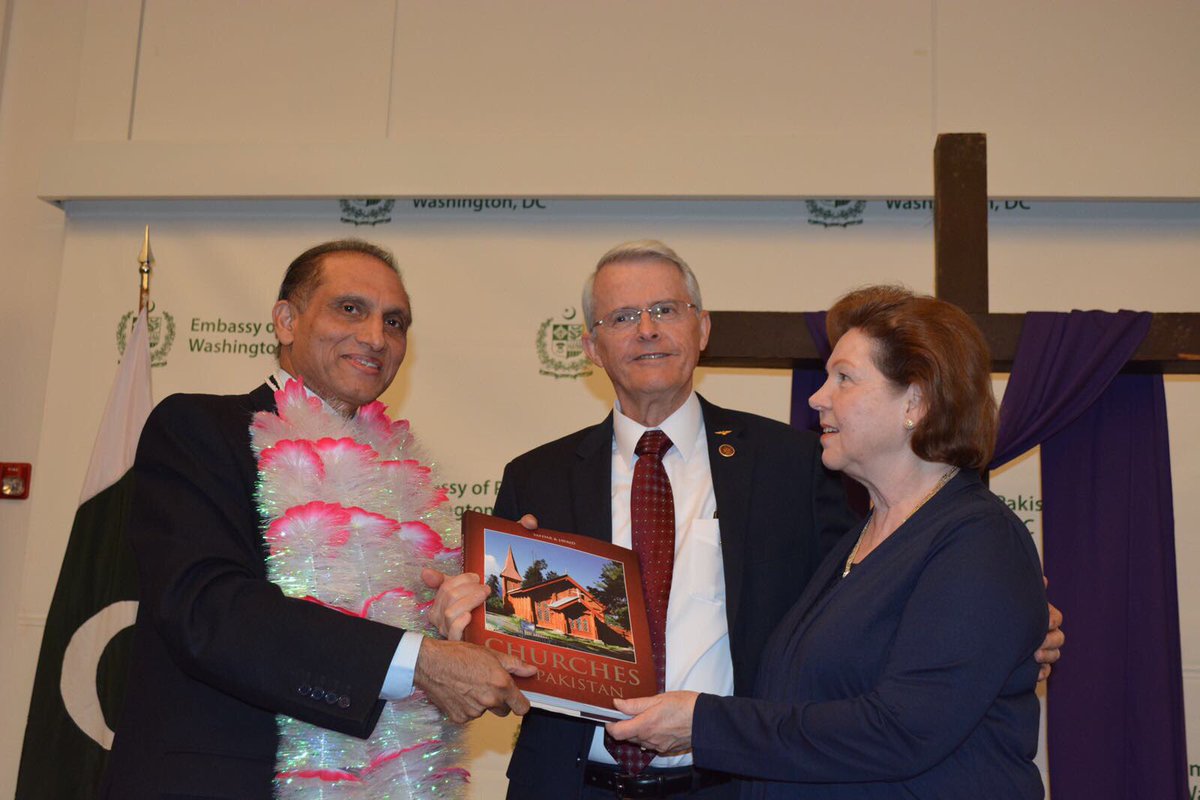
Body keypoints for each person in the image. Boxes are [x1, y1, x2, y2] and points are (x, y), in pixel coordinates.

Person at [426, 244, 1064, 800]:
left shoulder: (799, 463)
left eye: (665, 309)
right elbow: (501, 653)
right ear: (591, 347)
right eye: (622, 317)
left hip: (735, 781)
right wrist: (471, 624)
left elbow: (897, 612)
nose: (647, 330)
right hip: (570, 784)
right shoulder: (536, 477)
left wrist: (1014, 628)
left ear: (703, 327)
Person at [101, 240, 534, 799]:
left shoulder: (405, 484)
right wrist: (417, 659)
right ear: (287, 320)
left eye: (395, 322)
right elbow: (209, 611)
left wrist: (491, 606)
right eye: (350, 309)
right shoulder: (201, 429)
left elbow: (417, 644)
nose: (376, 337)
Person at [608, 285, 1050, 798]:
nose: (818, 398)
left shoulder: (978, 539)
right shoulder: (864, 535)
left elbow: (902, 731)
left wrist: (705, 725)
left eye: (844, 378)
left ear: (915, 401)